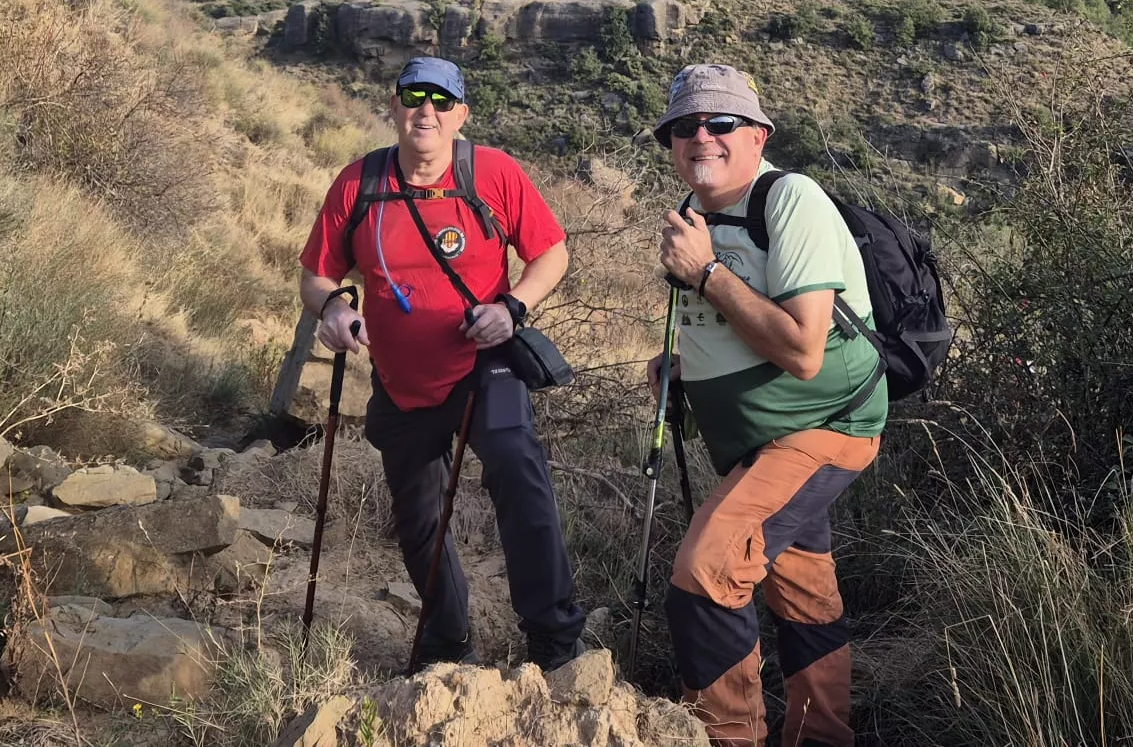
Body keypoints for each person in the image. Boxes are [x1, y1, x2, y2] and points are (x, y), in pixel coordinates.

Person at [299, 56, 585, 669]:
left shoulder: (493, 175)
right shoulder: (360, 183)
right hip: (402, 383)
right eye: (413, 96)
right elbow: (317, 274)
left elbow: (551, 253)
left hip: (483, 366)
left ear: (461, 114)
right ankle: (447, 644)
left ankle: (556, 641)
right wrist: (334, 309)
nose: (425, 110)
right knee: (419, 517)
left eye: (440, 99)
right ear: (395, 105)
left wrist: (513, 306)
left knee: (517, 466)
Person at [650, 64, 887, 747]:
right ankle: (823, 736)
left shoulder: (790, 199)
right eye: (685, 127)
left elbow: (803, 349)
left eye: (720, 123)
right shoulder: (697, 216)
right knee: (805, 596)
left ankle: (728, 737)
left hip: (824, 428)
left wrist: (706, 272)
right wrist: (680, 366)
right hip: (758, 445)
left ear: (757, 135)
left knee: (707, 575)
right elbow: (724, 322)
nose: (702, 137)